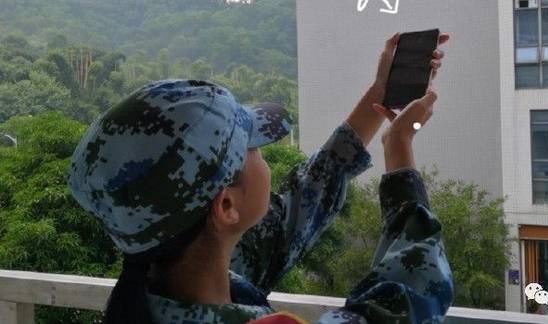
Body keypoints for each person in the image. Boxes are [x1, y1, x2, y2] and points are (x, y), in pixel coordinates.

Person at [67, 32, 454, 323]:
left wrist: (379, 99)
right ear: (226, 205)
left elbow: (298, 211)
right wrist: (399, 146)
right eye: (252, 146)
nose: (263, 156)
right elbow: (414, 286)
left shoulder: (163, 293)